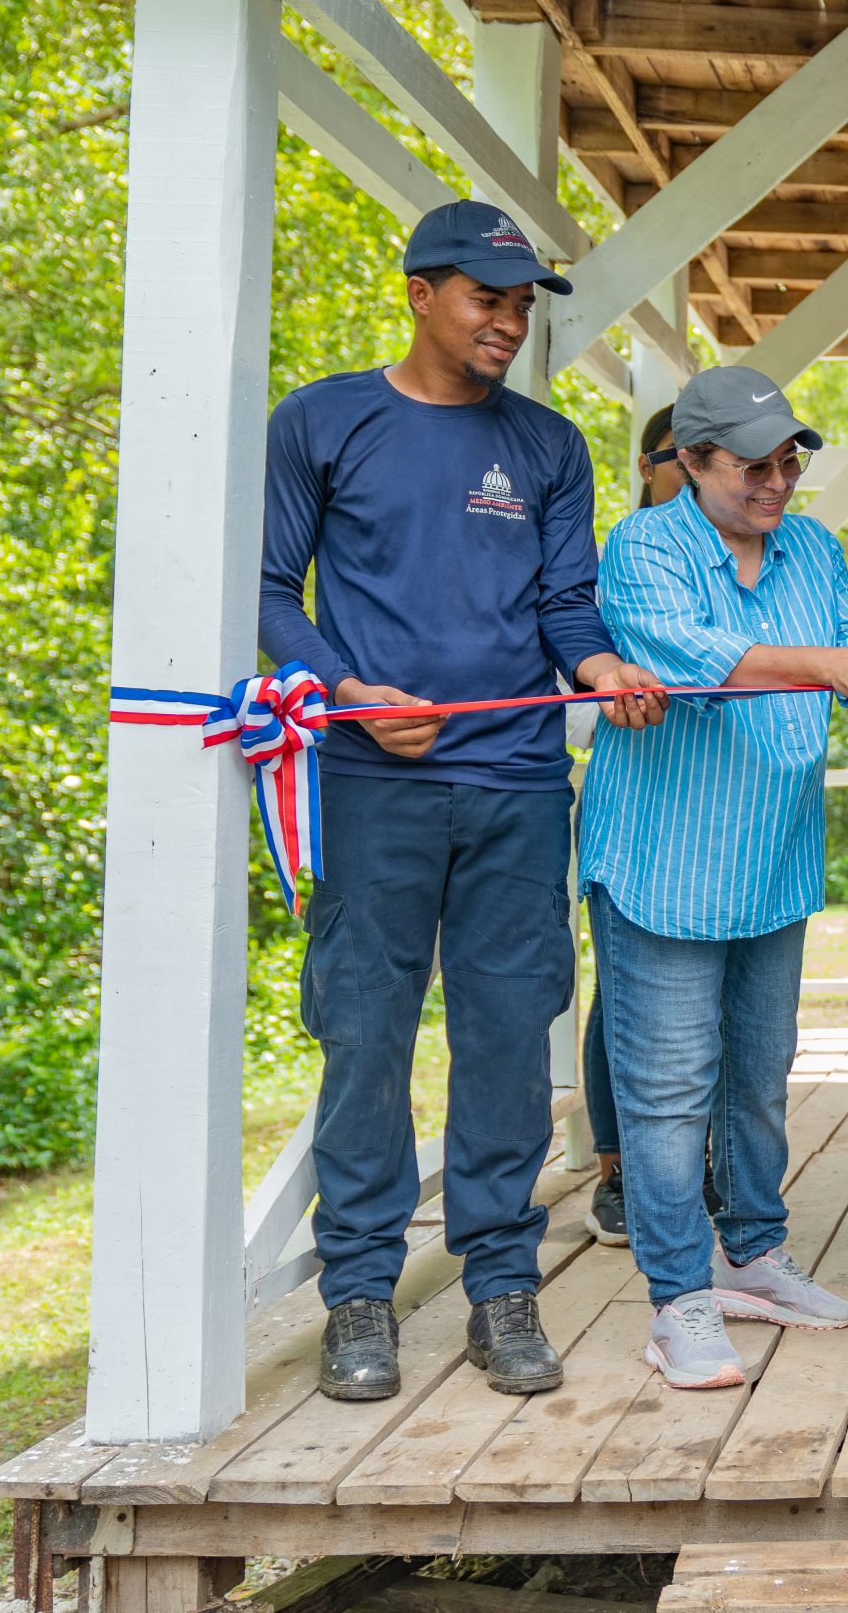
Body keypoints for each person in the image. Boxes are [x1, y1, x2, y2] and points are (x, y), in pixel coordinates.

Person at [259, 200, 668, 1402]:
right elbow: (272, 591)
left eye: (521, 305)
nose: (507, 322)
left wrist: (600, 669)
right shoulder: (321, 421)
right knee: (363, 1038)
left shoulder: (547, 445)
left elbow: (564, 606)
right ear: (419, 293)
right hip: (370, 784)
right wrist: (344, 690)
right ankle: (358, 1296)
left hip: (517, 785)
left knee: (505, 1040)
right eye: (487, 298)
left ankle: (501, 1288)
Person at [580, 365, 848, 1387]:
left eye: (789, 461)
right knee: (667, 1094)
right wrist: (831, 667)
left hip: (773, 860)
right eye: (753, 465)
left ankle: (751, 1252)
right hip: (661, 861)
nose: (778, 481)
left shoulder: (813, 548)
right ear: (693, 461)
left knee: (757, 1076)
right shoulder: (642, 546)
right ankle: (678, 1300)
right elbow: (692, 655)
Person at [583, 400, 679, 1248]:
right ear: (648, 465)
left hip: (718, 812)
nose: (696, 468)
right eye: (680, 453)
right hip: (636, 800)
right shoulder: (622, 553)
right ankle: (615, 1168)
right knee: (622, 996)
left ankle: (696, 1168)